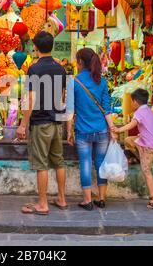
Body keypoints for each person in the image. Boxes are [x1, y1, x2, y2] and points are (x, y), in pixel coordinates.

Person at [16, 31, 68, 215]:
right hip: (57, 121)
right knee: (59, 161)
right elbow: (62, 97)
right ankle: (62, 199)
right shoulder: (61, 68)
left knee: (41, 164)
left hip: (40, 122)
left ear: (35, 47)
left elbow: (30, 98)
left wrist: (23, 125)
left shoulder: (34, 69)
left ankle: (43, 204)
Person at [66, 48, 117, 211]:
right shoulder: (101, 81)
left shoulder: (74, 82)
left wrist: (69, 131)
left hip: (83, 132)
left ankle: (87, 200)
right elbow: (107, 108)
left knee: (86, 163)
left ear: (80, 62)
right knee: (100, 163)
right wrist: (113, 128)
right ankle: (101, 199)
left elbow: (70, 111)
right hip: (102, 130)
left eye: (76, 60)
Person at [112, 88, 153, 209]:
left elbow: (131, 125)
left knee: (146, 171)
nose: (131, 104)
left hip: (148, 147)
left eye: (131, 101)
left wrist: (118, 129)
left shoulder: (139, 112)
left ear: (135, 102)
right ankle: (135, 158)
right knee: (128, 140)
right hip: (148, 143)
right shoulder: (150, 111)